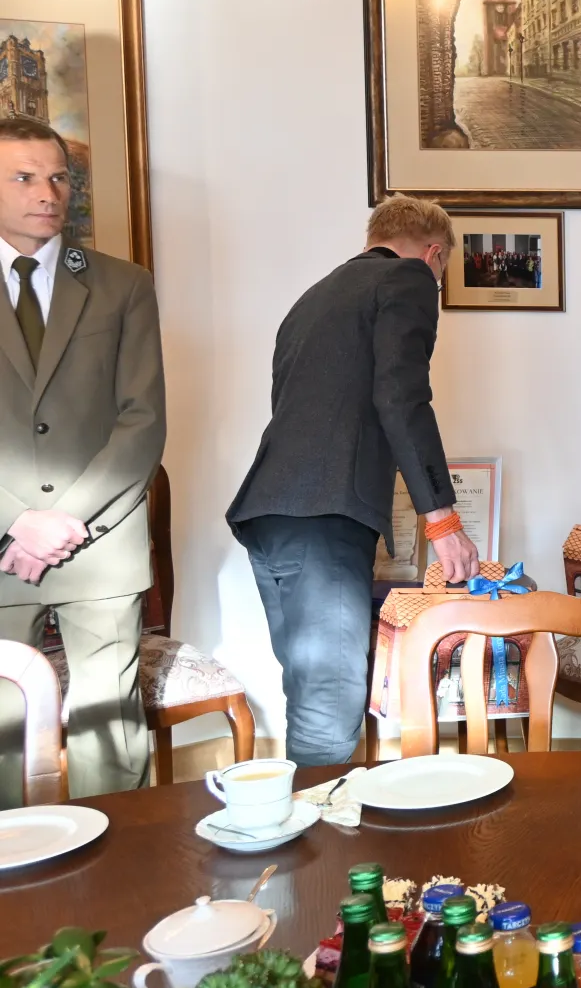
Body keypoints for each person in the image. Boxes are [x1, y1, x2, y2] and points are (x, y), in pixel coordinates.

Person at [227, 194, 480, 766]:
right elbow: (402, 398)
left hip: (270, 513)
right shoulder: (408, 279)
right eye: (442, 272)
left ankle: (302, 819)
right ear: (433, 255)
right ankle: (327, 827)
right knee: (329, 706)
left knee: (311, 694)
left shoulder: (314, 296)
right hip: (323, 517)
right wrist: (442, 520)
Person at [0, 116, 165, 805]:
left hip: (98, 543)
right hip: (3, 546)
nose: (48, 193)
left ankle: (119, 862)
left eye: (58, 177)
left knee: (109, 732)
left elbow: (142, 420)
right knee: (4, 729)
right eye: (24, 177)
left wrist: (64, 519)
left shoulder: (123, 285)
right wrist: (17, 522)